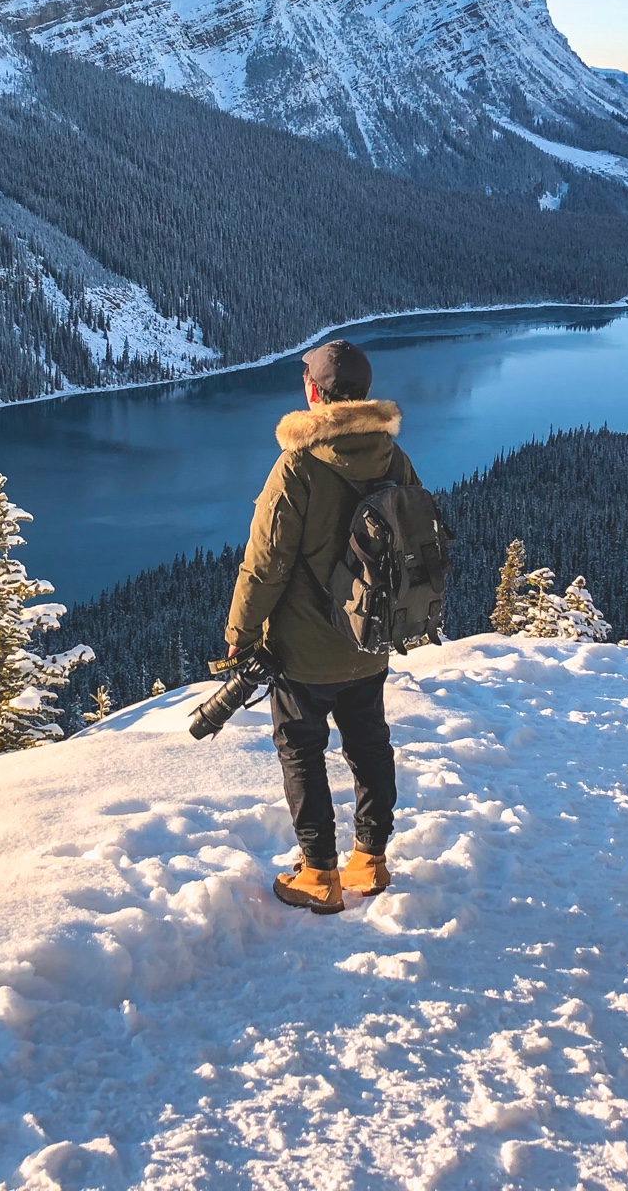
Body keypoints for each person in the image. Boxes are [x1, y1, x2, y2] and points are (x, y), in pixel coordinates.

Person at [226, 338, 420, 915]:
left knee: (302, 752)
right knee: (369, 745)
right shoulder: (391, 454)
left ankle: (318, 874)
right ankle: (372, 861)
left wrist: (240, 630)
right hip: (370, 640)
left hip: (303, 652)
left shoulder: (299, 465)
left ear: (314, 392)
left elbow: (265, 563)